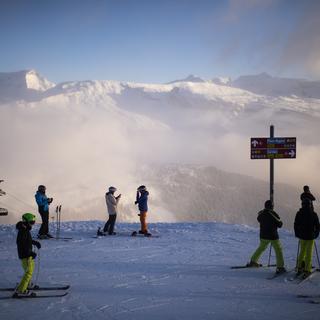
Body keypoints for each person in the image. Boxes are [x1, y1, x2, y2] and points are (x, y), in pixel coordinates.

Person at [247, 200, 286, 274]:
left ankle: (253, 261)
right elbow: (280, 224)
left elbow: (258, 219)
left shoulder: (261, 213)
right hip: (273, 236)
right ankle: (280, 267)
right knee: (278, 250)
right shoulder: (273, 214)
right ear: (272, 207)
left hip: (263, 235)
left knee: (261, 247)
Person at [13, 213, 41, 297]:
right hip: (26, 255)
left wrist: (34, 242)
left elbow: (26, 241)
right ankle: (21, 290)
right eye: (32, 222)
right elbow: (22, 244)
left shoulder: (24, 230)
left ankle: (27, 284)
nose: (33, 224)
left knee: (29, 270)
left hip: (26, 255)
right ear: (26, 222)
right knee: (28, 272)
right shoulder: (23, 231)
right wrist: (30, 253)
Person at [294, 198, 320, 278]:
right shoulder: (313, 214)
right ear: (310, 205)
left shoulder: (299, 213)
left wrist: (297, 234)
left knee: (302, 252)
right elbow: (318, 226)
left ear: (302, 204)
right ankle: (307, 269)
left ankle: (299, 267)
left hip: (302, 236)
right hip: (310, 236)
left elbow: (296, 224)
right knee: (309, 254)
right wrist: (315, 234)